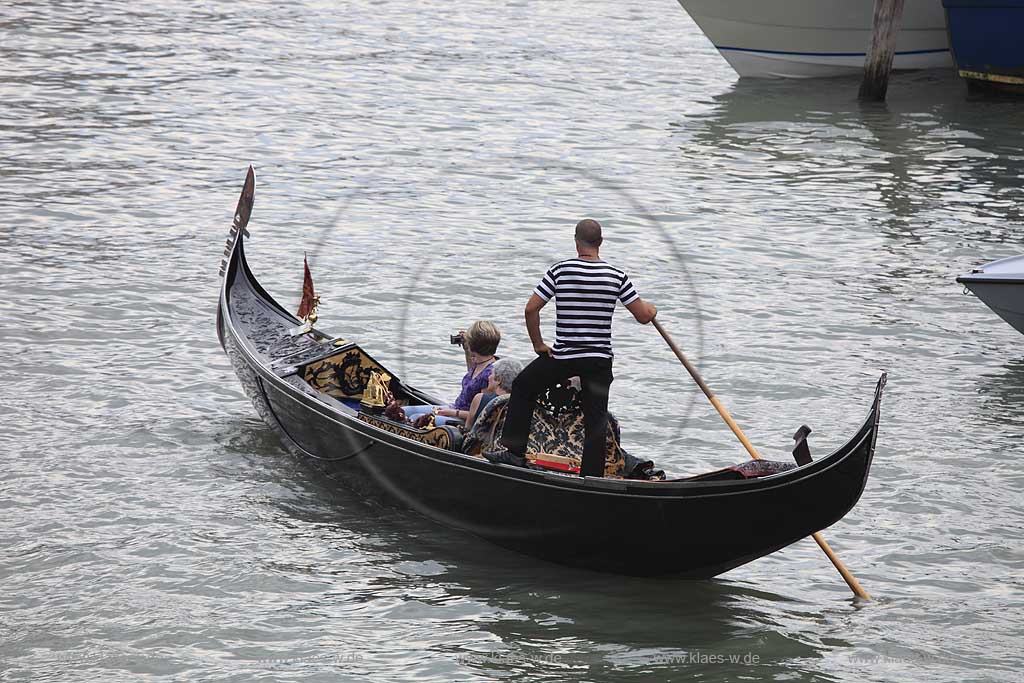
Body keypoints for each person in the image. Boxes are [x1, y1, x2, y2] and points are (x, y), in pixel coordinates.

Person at [495, 219, 657, 475]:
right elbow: (643, 316)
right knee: (596, 418)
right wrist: (652, 309)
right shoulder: (617, 276)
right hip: (598, 360)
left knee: (523, 386)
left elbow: (531, 308)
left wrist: (538, 344)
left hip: (565, 355)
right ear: (600, 242)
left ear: (576, 241)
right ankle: (591, 477)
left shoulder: (560, 270)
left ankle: (515, 453)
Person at [403, 320, 501, 425]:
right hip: (454, 408)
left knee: (416, 418)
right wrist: (467, 351)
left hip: (463, 419)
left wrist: (452, 413)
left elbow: (480, 414)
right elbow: (473, 382)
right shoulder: (480, 362)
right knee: (405, 411)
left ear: (474, 345)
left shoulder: (490, 374)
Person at [465, 358, 522, 429]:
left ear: (498, 380)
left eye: (491, 373)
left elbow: (467, 428)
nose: (489, 377)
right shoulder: (520, 405)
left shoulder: (480, 399)